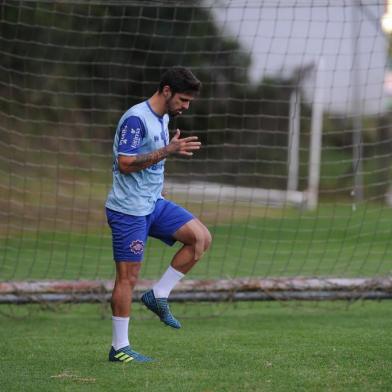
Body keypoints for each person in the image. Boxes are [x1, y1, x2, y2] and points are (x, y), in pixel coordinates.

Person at [105, 67, 212, 363]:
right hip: (129, 210)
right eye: (183, 99)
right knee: (128, 278)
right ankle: (119, 348)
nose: (186, 106)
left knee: (200, 238)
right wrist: (168, 149)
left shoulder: (164, 117)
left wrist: (166, 154)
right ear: (166, 90)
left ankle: (159, 295)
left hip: (153, 203)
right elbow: (125, 163)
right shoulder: (136, 118)